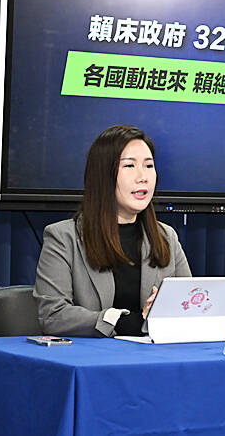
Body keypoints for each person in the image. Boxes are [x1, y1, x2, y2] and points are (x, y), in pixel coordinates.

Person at [34, 125, 191, 336]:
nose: (142, 176)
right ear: (103, 175)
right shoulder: (64, 238)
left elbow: (190, 305)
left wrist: (169, 307)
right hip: (94, 354)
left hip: (155, 353)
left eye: (149, 165)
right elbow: (53, 315)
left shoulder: (166, 237)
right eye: (129, 166)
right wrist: (120, 321)